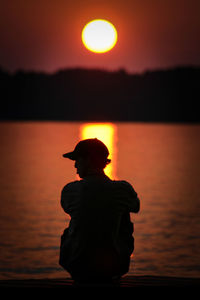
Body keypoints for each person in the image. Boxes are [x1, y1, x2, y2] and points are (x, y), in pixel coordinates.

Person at [59, 138, 140, 284]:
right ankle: (112, 264)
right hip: (113, 267)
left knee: (71, 228)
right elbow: (136, 206)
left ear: (89, 160)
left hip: (78, 267)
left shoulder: (70, 190)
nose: (75, 165)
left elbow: (69, 208)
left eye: (77, 160)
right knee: (123, 215)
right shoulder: (122, 189)